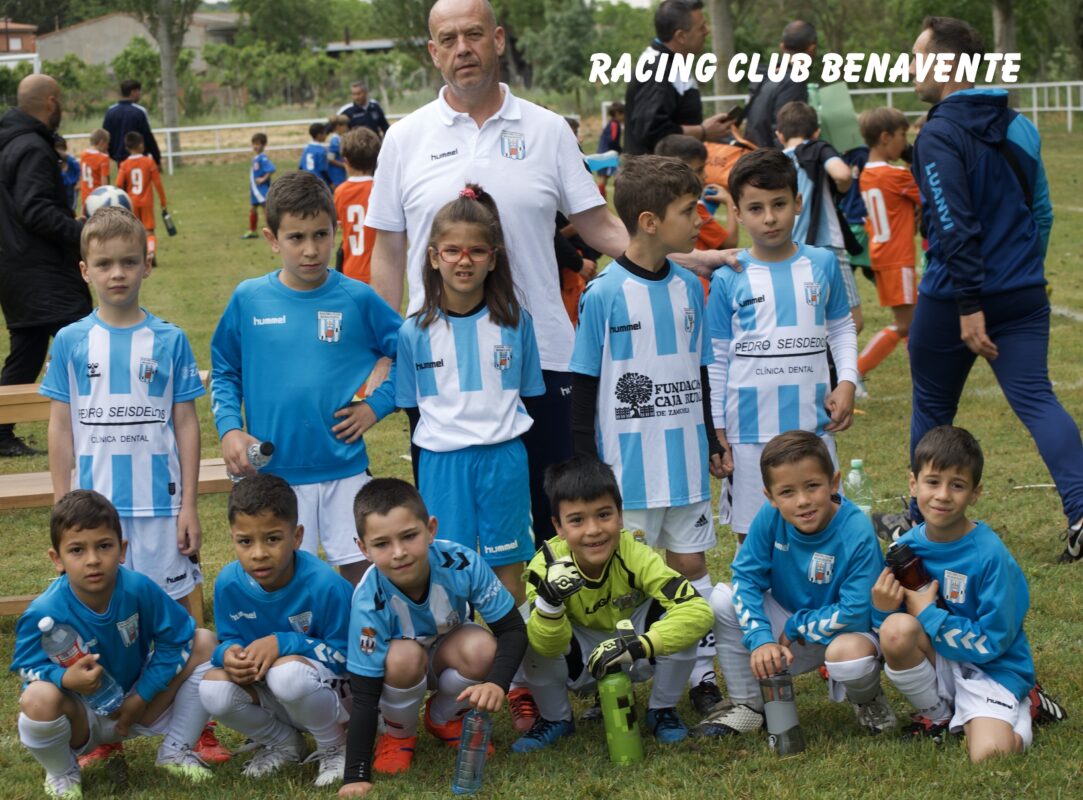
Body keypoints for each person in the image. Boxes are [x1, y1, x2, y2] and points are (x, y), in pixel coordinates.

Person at [367, 0, 636, 547]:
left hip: (546, 357)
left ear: (498, 39)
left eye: (473, 34)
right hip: (440, 369)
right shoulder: (404, 138)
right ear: (433, 52)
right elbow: (389, 252)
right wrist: (382, 353)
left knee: (558, 520)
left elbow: (598, 223)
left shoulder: (547, 129)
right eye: (448, 39)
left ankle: (558, 608)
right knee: (453, 533)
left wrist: (672, 260)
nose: (462, 48)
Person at [904, 16, 1083, 560]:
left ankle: (916, 523)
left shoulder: (937, 133)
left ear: (947, 64)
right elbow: (1042, 213)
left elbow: (953, 225)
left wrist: (970, 303)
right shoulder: (1020, 124)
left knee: (932, 406)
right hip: (1023, 290)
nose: (910, 69)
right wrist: (1020, 273)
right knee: (1038, 399)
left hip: (956, 300)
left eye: (917, 58)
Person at [570, 155, 725, 717]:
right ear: (650, 221)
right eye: (689, 210)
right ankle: (613, 677)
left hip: (684, 463)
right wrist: (587, 465)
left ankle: (701, 677)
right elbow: (584, 382)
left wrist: (712, 441)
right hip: (626, 473)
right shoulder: (603, 292)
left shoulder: (690, 287)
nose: (701, 218)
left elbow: (700, 369)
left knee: (690, 571)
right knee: (623, 583)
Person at [396, 184, 544, 732]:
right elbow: (412, 407)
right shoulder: (414, 331)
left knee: (508, 576)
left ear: (493, 257)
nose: (464, 260)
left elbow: (528, 393)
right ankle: (452, 692)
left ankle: (519, 684)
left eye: (476, 250)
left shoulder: (516, 322)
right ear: (434, 257)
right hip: (443, 465)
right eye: (453, 250)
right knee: (448, 576)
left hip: (503, 462)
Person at [210, 171, 401, 587]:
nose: (311, 250)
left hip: (343, 469)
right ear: (272, 239)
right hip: (274, 474)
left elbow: (414, 355)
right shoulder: (249, 299)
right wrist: (229, 428)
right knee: (284, 581)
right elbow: (224, 369)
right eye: (296, 237)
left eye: (320, 235)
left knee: (363, 581)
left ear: (336, 231)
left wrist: (377, 405)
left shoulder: (357, 298)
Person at [41, 206, 205, 610]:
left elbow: (186, 424)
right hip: (92, 507)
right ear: (85, 271)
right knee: (99, 607)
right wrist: (62, 505)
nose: (117, 273)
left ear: (146, 265)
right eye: (104, 264)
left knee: (171, 609)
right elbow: (60, 427)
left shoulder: (170, 340)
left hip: (160, 505)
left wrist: (189, 504)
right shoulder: (70, 341)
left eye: (129, 262)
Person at [10, 490, 218, 798]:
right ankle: (62, 771)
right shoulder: (44, 611)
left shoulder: (138, 587)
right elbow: (26, 667)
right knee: (37, 698)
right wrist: (65, 678)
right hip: (83, 716)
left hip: (140, 701)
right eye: (77, 550)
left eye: (104, 546)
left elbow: (177, 638)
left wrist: (143, 695)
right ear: (57, 559)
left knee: (204, 641)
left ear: (122, 550)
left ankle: (176, 750)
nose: (93, 560)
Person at [691, 431, 893, 738]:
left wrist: (797, 625)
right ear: (770, 497)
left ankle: (867, 699)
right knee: (722, 599)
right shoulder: (770, 517)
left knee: (850, 658)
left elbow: (856, 611)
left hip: (845, 632)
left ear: (833, 483)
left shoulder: (856, 529)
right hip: (789, 624)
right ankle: (749, 705)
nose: (803, 501)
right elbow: (745, 578)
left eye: (812, 486)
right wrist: (760, 639)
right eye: (787, 492)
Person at [512, 455, 714, 751]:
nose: (593, 529)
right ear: (558, 526)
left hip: (632, 645)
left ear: (620, 516)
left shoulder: (635, 553)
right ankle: (556, 718)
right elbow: (547, 647)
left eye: (603, 515)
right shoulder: (544, 567)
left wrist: (638, 646)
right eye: (577, 520)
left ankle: (662, 709)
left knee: (681, 617)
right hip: (577, 654)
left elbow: (698, 610)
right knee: (529, 633)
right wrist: (551, 605)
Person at [707, 149, 858, 543]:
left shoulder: (821, 263)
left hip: (812, 426)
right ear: (738, 213)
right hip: (748, 432)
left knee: (824, 527)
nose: (770, 218)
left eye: (779, 204)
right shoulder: (728, 276)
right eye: (756, 208)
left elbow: (841, 327)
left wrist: (847, 382)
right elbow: (716, 357)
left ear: (798, 203)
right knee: (753, 536)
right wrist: (718, 428)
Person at [340, 478, 527, 793]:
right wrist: (355, 775)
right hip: (400, 669)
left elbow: (512, 629)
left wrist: (497, 683)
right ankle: (398, 735)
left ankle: (444, 718)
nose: (399, 552)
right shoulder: (367, 601)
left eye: (409, 536)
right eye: (382, 544)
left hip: (446, 654)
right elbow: (365, 693)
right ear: (364, 549)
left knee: (483, 648)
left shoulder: (462, 562)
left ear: (431, 529)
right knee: (404, 656)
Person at [873, 425, 1036, 759]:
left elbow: (992, 642)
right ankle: (938, 716)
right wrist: (882, 608)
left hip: (992, 669)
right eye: (933, 482)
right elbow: (886, 630)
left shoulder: (991, 556)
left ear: (975, 493)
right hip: (941, 658)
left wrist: (928, 614)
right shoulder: (904, 550)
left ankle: (1027, 707)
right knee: (894, 630)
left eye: (957, 485)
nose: (943, 495)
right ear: (913, 483)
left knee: (988, 754)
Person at [199, 474, 353, 787]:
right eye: (245, 541)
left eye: (272, 539)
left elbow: (348, 659)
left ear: (297, 536)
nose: (258, 553)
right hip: (278, 694)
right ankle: (283, 744)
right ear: (233, 538)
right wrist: (227, 654)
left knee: (287, 673)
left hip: (334, 695)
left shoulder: (326, 585)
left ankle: (335, 745)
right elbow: (228, 638)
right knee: (212, 689)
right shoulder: (228, 583)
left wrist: (285, 643)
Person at [0, 73, 91, 457]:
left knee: (28, 348)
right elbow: (35, 210)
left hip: (13, 266)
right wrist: (82, 232)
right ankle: (98, 426)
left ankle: (1, 433)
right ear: (51, 101)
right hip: (41, 271)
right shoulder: (33, 148)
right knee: (89, 339)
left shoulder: (9, 142)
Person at [777, 101, 864, 334]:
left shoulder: (776, 161)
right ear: (816, 132)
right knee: (852, 322)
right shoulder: (819, 149)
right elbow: (842, 174)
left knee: (804, 317)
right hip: (826, 247)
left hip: (788, 250)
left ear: (779, 135)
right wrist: (841, 191)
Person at [856, 107, 920, 379]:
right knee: (905, 324)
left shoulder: (867, 174)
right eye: (902, 136)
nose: (905, 143)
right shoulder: (895, 175)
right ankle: (856, 371)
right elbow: (929, 191)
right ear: (885, 137)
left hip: (883, 255)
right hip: (897, 257)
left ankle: (921, 371)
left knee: (915, 317)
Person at [623, 0, 733, 156]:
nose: (707, 31)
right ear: (681, 36)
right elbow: (650, 130)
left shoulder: (672, 62)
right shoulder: (657, 69)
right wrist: (703, 131)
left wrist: (707, 128)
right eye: (701, 27)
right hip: (655, 170)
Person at [655, 133, 739, 299]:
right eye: (699, 170)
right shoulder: (697, 209)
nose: (705, 176)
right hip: (698, 291)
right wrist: (730, 202)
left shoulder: (654, 204)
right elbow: (730, 242)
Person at [743, 20, 817, 150]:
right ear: (812, 49)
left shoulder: (766, 76)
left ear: (782, 47)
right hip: (771, 158)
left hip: (753, 154)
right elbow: (789, 137)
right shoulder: (793, 82)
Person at [332, 127, 380, 282]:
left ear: (345, 161)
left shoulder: (340, 192)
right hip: (378, 269)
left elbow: (337, 222)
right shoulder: (380, 190)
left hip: (350, 267)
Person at [116, 132, 168, 267]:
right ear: (141, 145)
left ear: (127, 147)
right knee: (149, 230)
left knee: (133, 231)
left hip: (131, 203)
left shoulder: (124, 164)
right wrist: (163, 202)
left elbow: (118, 185)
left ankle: (135, 257)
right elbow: (158, 184)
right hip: (146, 202)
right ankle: (151, 253)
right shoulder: (149, 162)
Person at [102, 79, 161, 166]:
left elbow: (106, 135)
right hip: (138, 157)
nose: (139, 94)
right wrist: (156, 157)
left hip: (119, 158)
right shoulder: (139, 111)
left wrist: (111, 154)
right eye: (138, 91)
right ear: (133, 92)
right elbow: (147, 135)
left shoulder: (111, 111)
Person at [243, 132, 275, 240]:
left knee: (266, 209)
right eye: (254, 144)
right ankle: (253, 231)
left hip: (261, 189)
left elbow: (271, 169)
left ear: (264, 145)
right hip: (255, 190)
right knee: (253, 209)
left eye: (258, 144)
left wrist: (263, 179)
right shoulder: (256, 158)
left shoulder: (263, 158)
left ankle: (271, 231)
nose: (255, 146)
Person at [595, 101, 623, 197]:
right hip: (607, 154)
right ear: (617, 113)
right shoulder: (614, 124)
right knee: (615, 176)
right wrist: (620, 150)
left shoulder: (611, 123)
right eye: (623, 114)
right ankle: (601, 199)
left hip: (602, 152)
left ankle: (601, 199)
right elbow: (612, 140)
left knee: (604, 178)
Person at [78, 129, 111, 210]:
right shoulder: (103, 158)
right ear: (101, 142)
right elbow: (104, 183)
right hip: (98, 199)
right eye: (107, 144)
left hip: (85, 198)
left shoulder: (83, 155)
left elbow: (81, 176)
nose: (108, 147)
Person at [55, 136, 79, 214]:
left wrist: (78, 183)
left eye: (60, 149)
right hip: (61, 186)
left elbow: (79, 170)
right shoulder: (54, 160)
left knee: (71, 207)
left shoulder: (71, 160)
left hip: (72, 186)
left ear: (65, 149)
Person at [327, 115, 349, 189]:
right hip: (335, 174)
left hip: (341, 173)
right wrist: (344, 165)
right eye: (345, 126)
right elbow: (330, 159)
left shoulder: (339, 138)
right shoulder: (334, 141)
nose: (347, 128)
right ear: (338, 127)